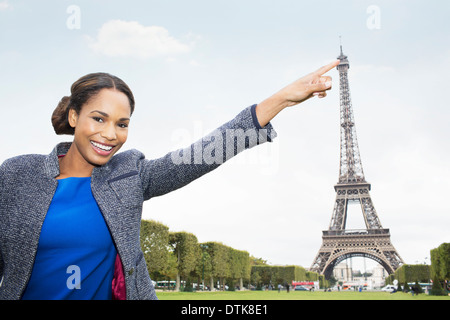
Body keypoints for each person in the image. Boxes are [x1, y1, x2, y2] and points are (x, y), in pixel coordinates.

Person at [0, 60, 339, 300]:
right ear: (74, 116)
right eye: (98, 118)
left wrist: (279, 100)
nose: (110, 134)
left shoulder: (128, 175)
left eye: (122, 123)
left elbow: (198, 155)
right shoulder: (17, 175)